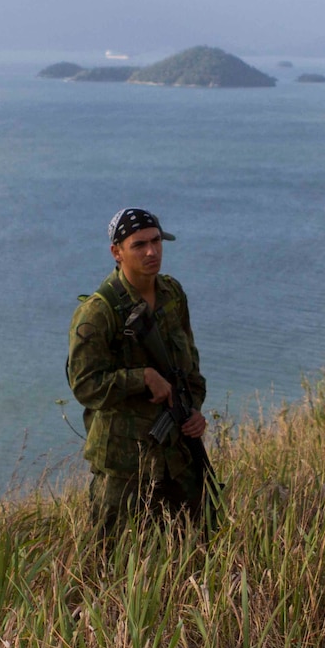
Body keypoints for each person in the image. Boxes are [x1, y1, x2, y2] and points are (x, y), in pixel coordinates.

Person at [66, 208, 210, 542]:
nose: (152, 252)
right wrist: (141, 377)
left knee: (194, 544)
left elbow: (190, 365)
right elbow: (85, 386)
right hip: (125, 461)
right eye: (139, 244)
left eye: (157, 241)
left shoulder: (172, 294)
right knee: (111, 558)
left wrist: (194, 409)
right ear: (117, 252)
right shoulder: (98, 313)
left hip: (178, 452)